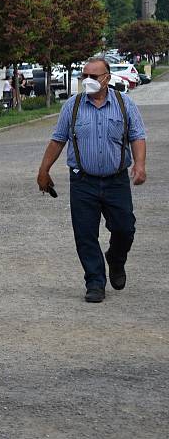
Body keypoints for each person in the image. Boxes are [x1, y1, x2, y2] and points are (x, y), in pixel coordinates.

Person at [37, 57, 146, 303]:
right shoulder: (72, 107)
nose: (87, 81)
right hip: (82, 181)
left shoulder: (124, 104)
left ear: (107, 78)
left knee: (124, 228)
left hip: (116, 180)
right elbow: (58, 140)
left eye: (93, 77)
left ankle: (116, 260)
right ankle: (95, 281)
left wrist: (139, 164)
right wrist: (44, 170)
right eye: (84, 76)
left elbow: (137, 136)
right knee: (85, 234)